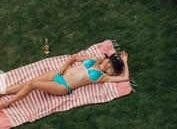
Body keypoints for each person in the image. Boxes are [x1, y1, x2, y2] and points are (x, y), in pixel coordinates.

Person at [0, 51, 129, 109]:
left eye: (111, 65)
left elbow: (125, 78)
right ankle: (3, 92)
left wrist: (125, 62)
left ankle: (7, 104)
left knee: (31, 84)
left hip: (63, 86)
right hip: (59, 73)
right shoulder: (94, 58)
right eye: (109, 60)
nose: (107, 63)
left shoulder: (103, 76)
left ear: (111, 69)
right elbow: (74, 58)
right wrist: (64, 65)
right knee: (27, 83)